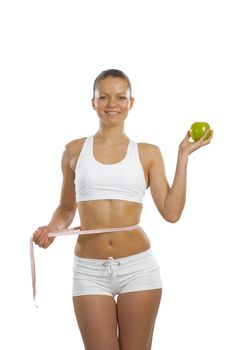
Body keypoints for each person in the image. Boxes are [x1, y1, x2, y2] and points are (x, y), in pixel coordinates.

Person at [32, 69, 213, 350]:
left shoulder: (148, 153)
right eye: (103, 97)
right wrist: (52, 228)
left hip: (138, 267)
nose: (111, 104)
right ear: (92, 102)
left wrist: (183, 156)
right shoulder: (74, 151)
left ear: (131, 102)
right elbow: (67, 208)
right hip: (89, 270)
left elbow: (171, 212)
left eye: (120, 97)